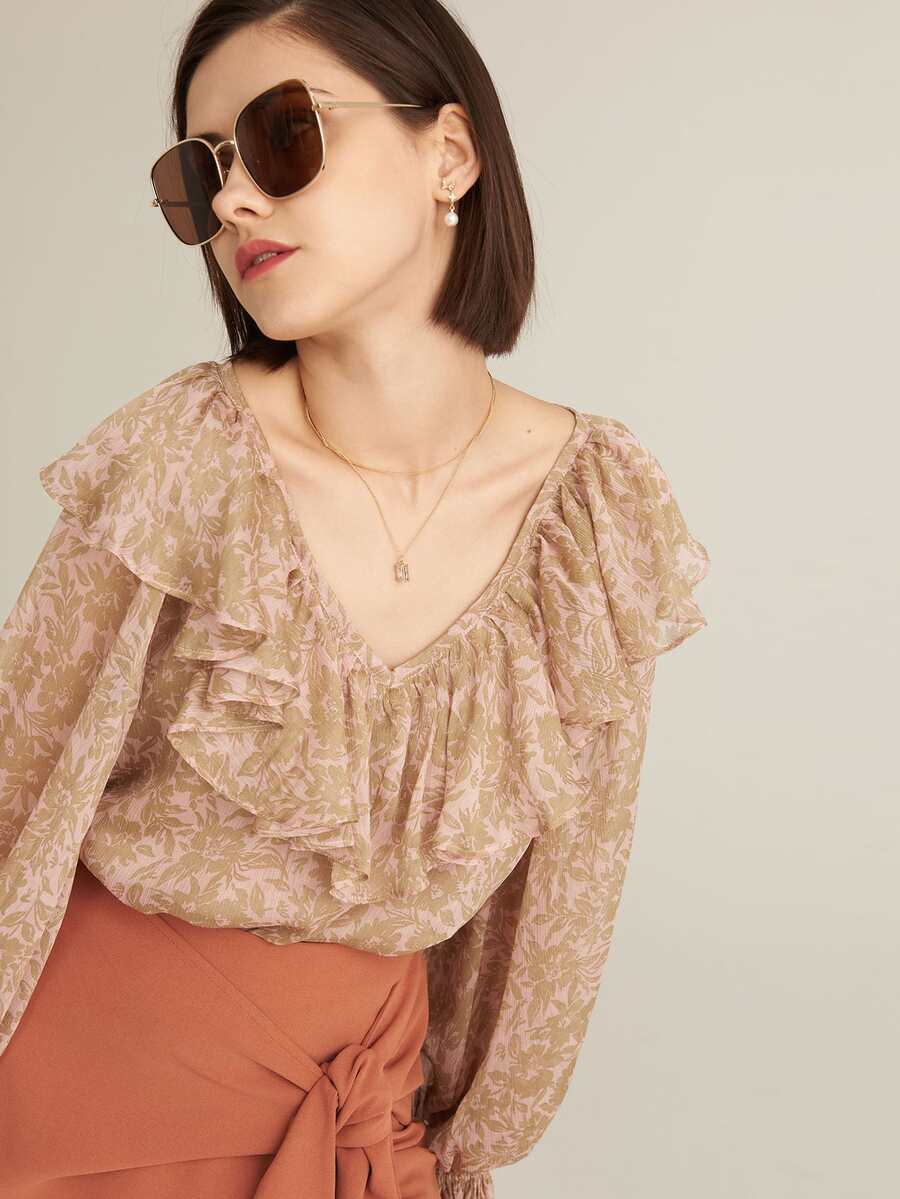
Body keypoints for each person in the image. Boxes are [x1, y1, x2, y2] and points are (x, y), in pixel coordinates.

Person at [0, 2, 711, 1197]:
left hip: (366, 1121)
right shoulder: (185, 458)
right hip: (79, 1107)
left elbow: (558, 907)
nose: (234, 201)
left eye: (282, 136)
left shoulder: (592, 512)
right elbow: (15, 784)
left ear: (450, 153)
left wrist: (463, 1139)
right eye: (200, 174)